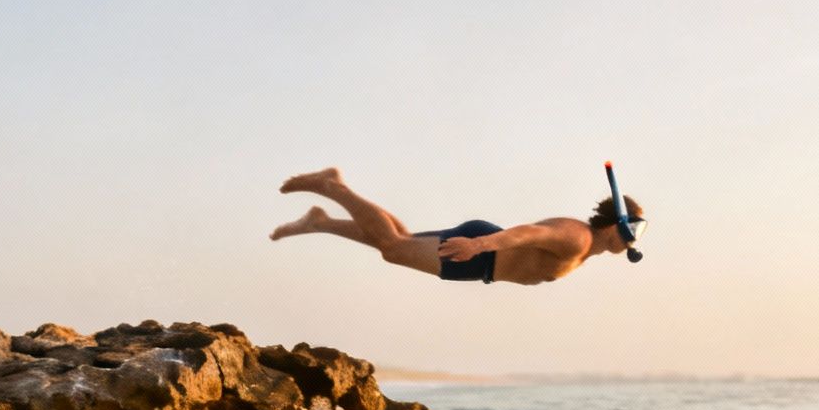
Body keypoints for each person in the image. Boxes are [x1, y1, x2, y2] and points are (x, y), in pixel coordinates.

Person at [269, 167, 644, 286]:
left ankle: (321, 222)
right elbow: (528, 232)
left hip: (483, 260)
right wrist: (478, 246)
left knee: (399, 240)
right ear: (618, 224)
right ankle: (333, 187)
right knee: (393, 247)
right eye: (635, 229)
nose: (634, 240)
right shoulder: (577, 236)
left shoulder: (585, 248)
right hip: (481, 254)